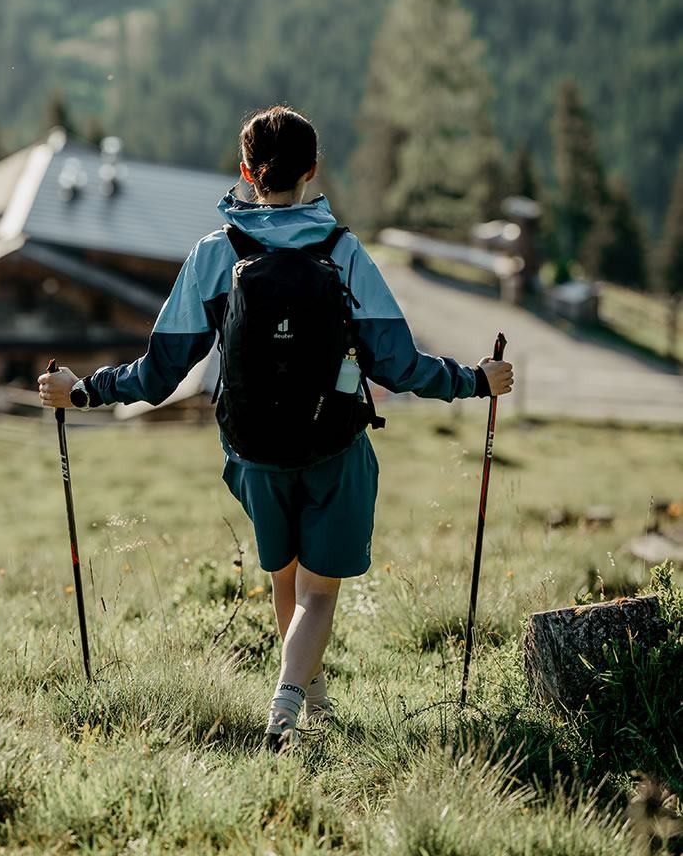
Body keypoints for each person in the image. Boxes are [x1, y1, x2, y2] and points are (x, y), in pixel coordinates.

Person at [39, 105, 513, 750]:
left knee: (284, 576)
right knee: (320, 594)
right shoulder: (343, 255)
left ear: (245, 172)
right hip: (333, 446)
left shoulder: (215, 254)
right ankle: (287, 707)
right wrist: (477, 380)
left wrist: (84, 391)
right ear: (313, 171)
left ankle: (312, 699)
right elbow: (398, 366)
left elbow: (159, 374)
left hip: (252, 451)